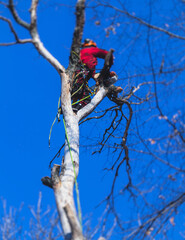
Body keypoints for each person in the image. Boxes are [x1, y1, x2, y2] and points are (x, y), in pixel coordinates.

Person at [71, 39, 122, 111]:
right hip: (82, 73)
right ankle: (74, 108)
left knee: (81, 94)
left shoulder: (80, 53)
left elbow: (93, 74)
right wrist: (111, 59)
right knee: (83, 96)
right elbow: (105, 53)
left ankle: (74, 108)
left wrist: (105, 75)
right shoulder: (90, 49)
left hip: (80, 74)